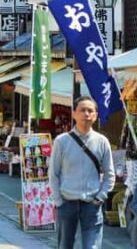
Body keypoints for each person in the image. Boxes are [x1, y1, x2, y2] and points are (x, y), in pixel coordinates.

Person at [50, 96, 115, 249]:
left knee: (92, 246)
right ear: (74, 114)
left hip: (92, 203)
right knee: (65, 245)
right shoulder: (61, 141)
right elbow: (53, 173)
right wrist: (58, 200)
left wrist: (100, 197)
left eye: (90, 111)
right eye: (82, 110)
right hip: (67, 202)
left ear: (95, 115)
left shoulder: (102, 141)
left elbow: (109, 174)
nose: (86, 114)